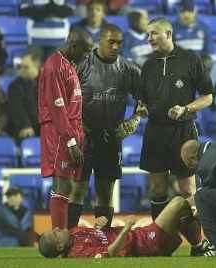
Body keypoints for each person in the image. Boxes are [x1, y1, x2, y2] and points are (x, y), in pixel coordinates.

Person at [138, 17, 213, 221]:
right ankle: (159, 241)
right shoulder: (147, 65)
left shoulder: (191, 59)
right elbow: (142, 102)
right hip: (155, 132)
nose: (149, 38)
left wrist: (186, 108)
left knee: (188, 189)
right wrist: (142, 109)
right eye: (148, 34)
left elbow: (208, 97)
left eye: (154, 33)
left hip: (183, 131)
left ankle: (198, 243)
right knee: (157, 188)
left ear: (168, 34)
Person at [73, 23, 143, 229]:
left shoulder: (128, 69)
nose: (115, 46)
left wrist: (134, 120)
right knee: (77, 189)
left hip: (112, 137)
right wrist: (75, 125)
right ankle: (68, 240)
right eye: (110, 42)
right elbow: (65, 99)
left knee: (105, 192)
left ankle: (101, 240)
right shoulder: (81, 65)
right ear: (99, 41)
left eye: (119, 43)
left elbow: (145, 98)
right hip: (83, 135)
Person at [38, 28, 93, 230]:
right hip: (60, 133)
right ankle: (59, 237)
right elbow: (57, 107)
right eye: (85, 50)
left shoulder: (68, 64)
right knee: (63, 185)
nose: (87, 55)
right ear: (73, 45)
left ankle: (65, 237)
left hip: (71, 131)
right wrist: (71, 142)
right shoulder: (54, 66)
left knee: (68, 185)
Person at [38, 196, 204, 258]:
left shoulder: (74, 232)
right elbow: (109, 254)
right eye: (55, 234)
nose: (57, 229)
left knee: (183, 215)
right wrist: (126, 229)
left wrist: (102, 223)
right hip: (142, 245)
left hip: (141, 235)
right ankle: (208, 198)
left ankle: (199, 246)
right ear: (59, 246)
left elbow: (100, 237)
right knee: (178, 203)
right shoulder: (77, 253)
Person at [7, 52, 41, 140]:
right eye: (20, 67)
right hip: (25, 128)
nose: (21, 70)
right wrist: (25, 125)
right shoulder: (15, 86)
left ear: (36, 66)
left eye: (26, 67)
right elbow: (17, 108)